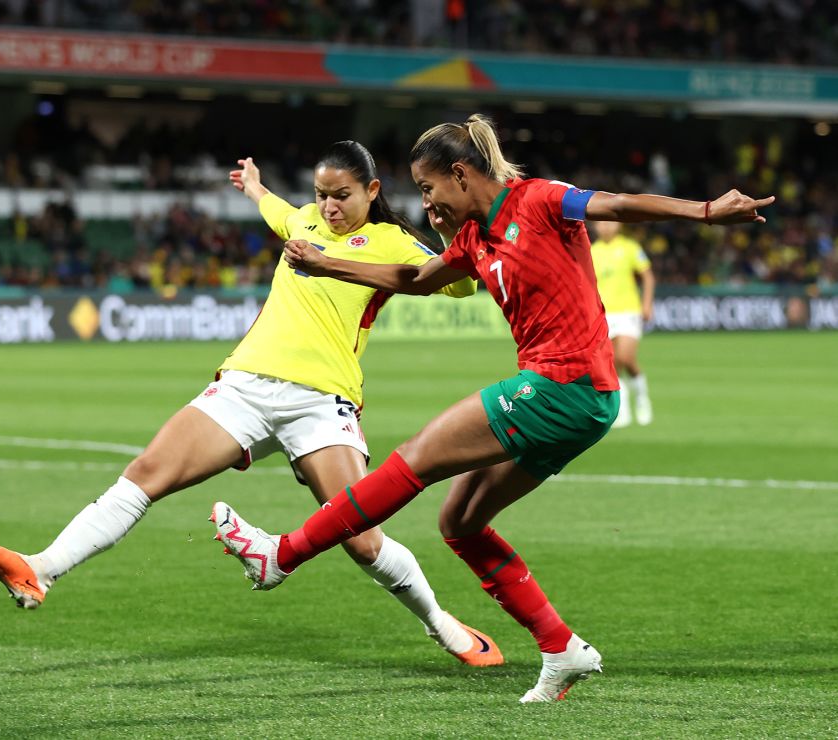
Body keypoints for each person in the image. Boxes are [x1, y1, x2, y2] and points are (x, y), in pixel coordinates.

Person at [212, 115, 774, 702]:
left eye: (429, 189)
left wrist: (706, 212)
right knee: (459, 523)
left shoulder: (540, 200)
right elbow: (416, 277)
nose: (426, 204)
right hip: (576, 402)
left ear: (460, 174)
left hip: (567, 385)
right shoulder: (475, 239)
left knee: (417, 458)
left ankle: (285, 553)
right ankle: (561, 648)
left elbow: (619, 204)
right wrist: (329, 264)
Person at [0, 141, 505, 667]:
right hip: (244, 386)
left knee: (363, 541)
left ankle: (443, 626)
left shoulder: (391, 241)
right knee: (146, 473)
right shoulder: (304, 223)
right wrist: (253, 187)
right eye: (320, 195)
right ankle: (40, 569)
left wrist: (445, 228)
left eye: (340, 195)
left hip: (321, 401)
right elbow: (279, 211)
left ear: (371, 190)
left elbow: (460, 285)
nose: (328, 207)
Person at [591, 221, 655, 427]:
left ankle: (642, 397)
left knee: (626, 358)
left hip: (628, 310)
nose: (605, 227)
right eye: (601, 224)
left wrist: (646, 304)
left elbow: (648, 277)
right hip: (603, 314)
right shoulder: (592, 250)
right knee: (612, 364)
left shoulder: (630, 247)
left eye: (609, 223)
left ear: (617, 225)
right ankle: (623, 408)